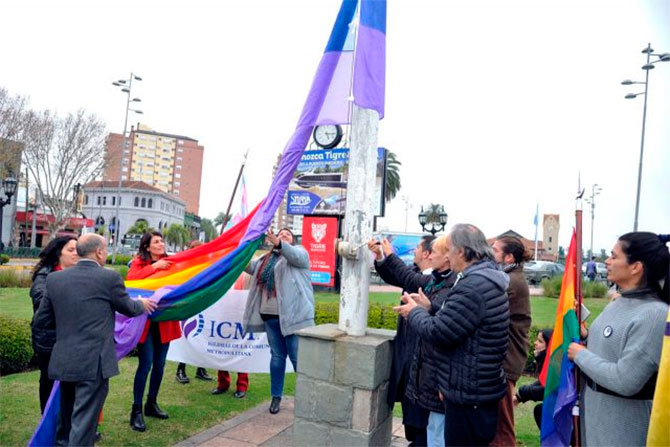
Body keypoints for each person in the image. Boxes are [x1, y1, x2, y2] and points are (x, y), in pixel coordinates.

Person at [32, 234, 156, 446]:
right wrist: (142, 303)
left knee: (67, 418)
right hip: (94, 363)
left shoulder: (55, 280)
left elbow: (41, 320)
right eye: (106, 250)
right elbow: (128, 307)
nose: (106, 254)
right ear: (99, 252)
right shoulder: (109, 278)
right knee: (84, 422)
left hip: (64, 359)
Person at [394, 224, 510, 446]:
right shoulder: (484, 279)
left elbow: (439, 332)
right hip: (477, 389)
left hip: (469, 393)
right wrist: (431, 308)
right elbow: (462, 323)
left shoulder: (473, 286)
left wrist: (415, 313)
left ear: (461, 252)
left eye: (449, 250)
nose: (446, 256)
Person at [568, 232, 669, 446]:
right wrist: (585, 337)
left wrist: (581, 355)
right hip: (596, 416)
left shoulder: (654, 315)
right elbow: (610, 348)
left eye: (614, 256)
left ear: (636, 267)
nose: (607, 261)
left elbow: (625, 380)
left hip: (624, 427)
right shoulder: (618, 302)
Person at [370, 235, 452, 447]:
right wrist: (382, 257)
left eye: (419, 248)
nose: (415, 251)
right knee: (414, 420)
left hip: (429, 368)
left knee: (425, 427)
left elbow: (441, 327)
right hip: (414, 365)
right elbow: (400, 275)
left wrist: (390, 255)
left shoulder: (448, 284)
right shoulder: (430, 278)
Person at [242, 228, 314, 414]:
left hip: (293, 319)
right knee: (276, 358)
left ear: (293, 240)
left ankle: (309, 400)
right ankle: (276, 397)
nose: (283, 235)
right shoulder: (264, 260)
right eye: (280, 234)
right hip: (270, 318)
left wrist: (281, 245)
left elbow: (297, 256)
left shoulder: (299, 254)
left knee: (299, 360)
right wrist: (240, 250)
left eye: (287, 234)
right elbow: (248, 266)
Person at [127, 231, 182, 432]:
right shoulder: (139, 263)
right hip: (146, 323)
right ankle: (136, 411)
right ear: (147, 247)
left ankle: (152, 404)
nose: (160, 244)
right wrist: (154, 267)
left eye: (162, 241)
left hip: (164, 321)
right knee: (146, 365)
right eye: (156, 242)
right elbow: (132, 280)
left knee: (160, 365)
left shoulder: (172, 262)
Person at [490, 236, 532, 447]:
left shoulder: (510, 281)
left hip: (507, 361)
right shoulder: (508, 277)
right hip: (507, 359)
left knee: (502, 428)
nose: (491, 253)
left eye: (495, 250)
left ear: (508, 257)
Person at [30, 236, 78, 414]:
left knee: (72, 385)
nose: (76, 253)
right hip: (49, 341)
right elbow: (42, 304)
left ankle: (70, 424)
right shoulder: (44, 276)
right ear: (58, 253)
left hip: (72, 340)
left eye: (77, 249)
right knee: (49, 384)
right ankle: (47, 423)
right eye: (71, 250)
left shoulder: (77, 274)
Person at [176, 239, 213, 384]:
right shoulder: (186, 265)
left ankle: (201, 368)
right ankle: (181, 369)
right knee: (186, 337)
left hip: (204, 305)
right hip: (189, 305)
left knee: (203, 337)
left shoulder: (208, 265)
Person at [514, 328, 553, 430]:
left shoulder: (555, 366)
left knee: (541, 411)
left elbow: (547, 389)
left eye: (540, 341)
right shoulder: (547, 362)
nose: (535, 343)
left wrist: (522, 393)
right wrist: (520, 395)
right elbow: (542, 381)